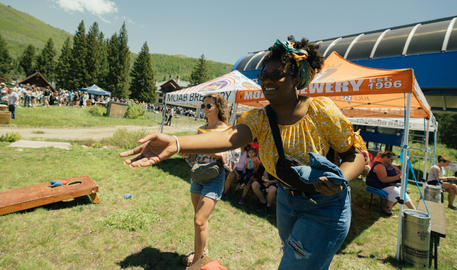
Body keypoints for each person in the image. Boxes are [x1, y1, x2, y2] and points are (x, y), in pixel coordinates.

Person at [120, 36, 367, 269]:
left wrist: (340, 180)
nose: (266, 80)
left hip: (324, 206)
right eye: (264, 74)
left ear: (297, 78)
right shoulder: (261, 118)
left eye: (276, 74)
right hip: (286, 201)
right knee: (297, 257)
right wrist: (176, 143)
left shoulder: (321, 111)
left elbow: (354, 154)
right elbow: (228, 137)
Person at [175, 93, 240, 266]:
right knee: (200, 220)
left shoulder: (227, 130)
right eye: (204, 106)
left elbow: (233, 155)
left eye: (208, 106)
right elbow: (194, 155)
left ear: (218, 107)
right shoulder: (201, 129)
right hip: (198, 175)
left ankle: (197, 262)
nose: (205, 109)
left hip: (214, 178)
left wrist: (206, 149)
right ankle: (203, 251)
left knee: (199, 220)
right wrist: (187, 153)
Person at [366, 151, 416, 216]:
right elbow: (383, 179)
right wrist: (398, 177)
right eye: (391, 159)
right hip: (377, 183)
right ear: (386, 157)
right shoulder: (379, 165)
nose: (392, 161)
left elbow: (398, 170)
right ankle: (387, 209)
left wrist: (400, 173)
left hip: (387, 183)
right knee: (395, 191)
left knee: (402, 190)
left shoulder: (388, 163)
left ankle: (414, 210)